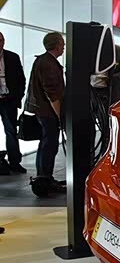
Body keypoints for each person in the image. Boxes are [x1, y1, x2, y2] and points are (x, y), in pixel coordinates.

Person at [24, 32, 66, 193]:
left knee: (45, 144)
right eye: (62, 44)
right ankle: (45, 179)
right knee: (49, 145)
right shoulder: (48, 64)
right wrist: (60, 116)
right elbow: (52, 94)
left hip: (42, 111)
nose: (64, 47)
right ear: (57, 45)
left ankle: (44, 177)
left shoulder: (43, 60)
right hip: (47, 113)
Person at [0, 31, 27, 174]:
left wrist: (18, 97)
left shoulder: (12, 57)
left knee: (11, 131)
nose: (0, 43)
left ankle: (14, 162)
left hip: (9, 100)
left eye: (1, 40)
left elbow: (21, 79)